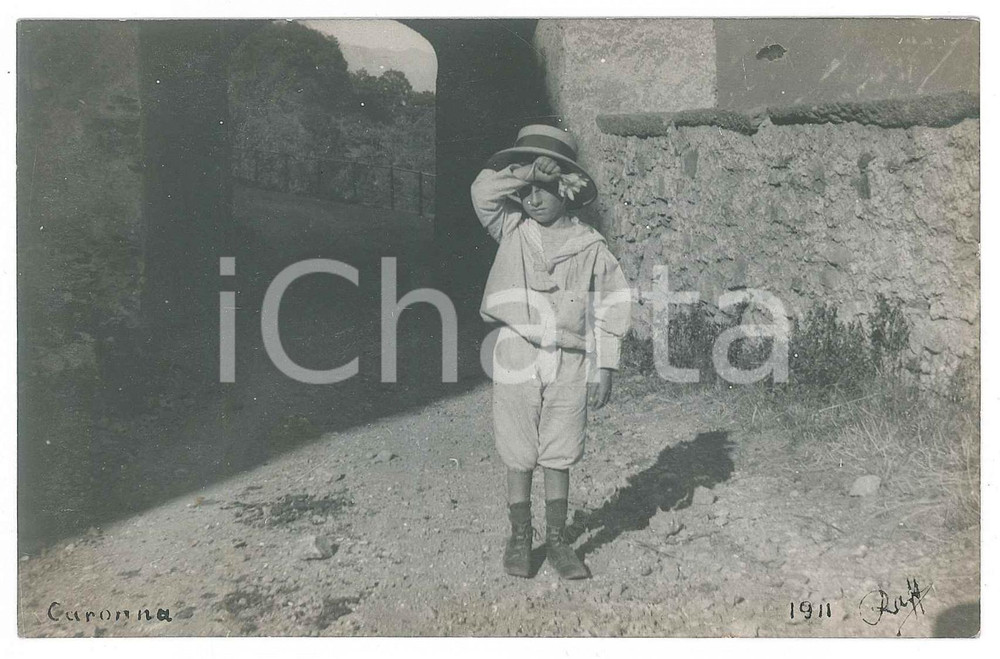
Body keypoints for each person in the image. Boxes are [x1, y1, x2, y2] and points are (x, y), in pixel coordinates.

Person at [470, 124, 632, 579]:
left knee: (560, 448)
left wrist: (606, 365)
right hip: (518, 350)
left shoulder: (590, 246)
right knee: (519, 447)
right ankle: (521, 536)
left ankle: (559, 540)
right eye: (527, 192)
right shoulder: (513, 230)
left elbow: (611, 304)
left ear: (568, 189)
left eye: (545, 188)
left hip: (571, 357)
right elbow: (483, 190)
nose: (533, 199)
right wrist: (524, 172)